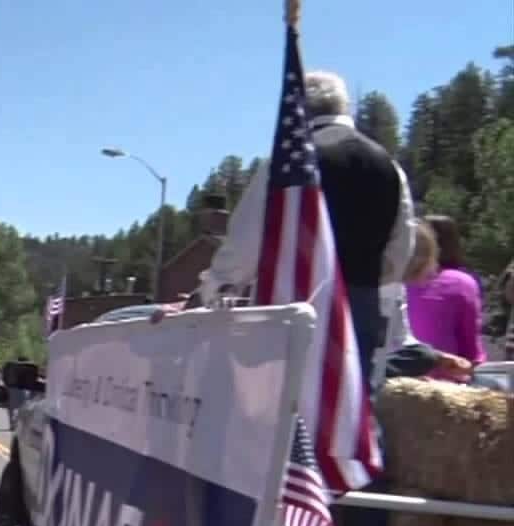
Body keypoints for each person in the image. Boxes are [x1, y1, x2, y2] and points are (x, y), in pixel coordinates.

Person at [199, 69, 416, 386]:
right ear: (344, 107)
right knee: (347, 417)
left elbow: (246, 244)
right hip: (359, 313)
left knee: (282, 419)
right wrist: (361, 277)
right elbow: (400, 252)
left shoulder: (287, 164)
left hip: (292, 309)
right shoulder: (389, 167)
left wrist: (214, 288)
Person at [405, 214, 486, 377]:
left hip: (394, 379)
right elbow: (470, 346)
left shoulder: (392, 281)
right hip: (445, 382)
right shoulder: (463, 282)